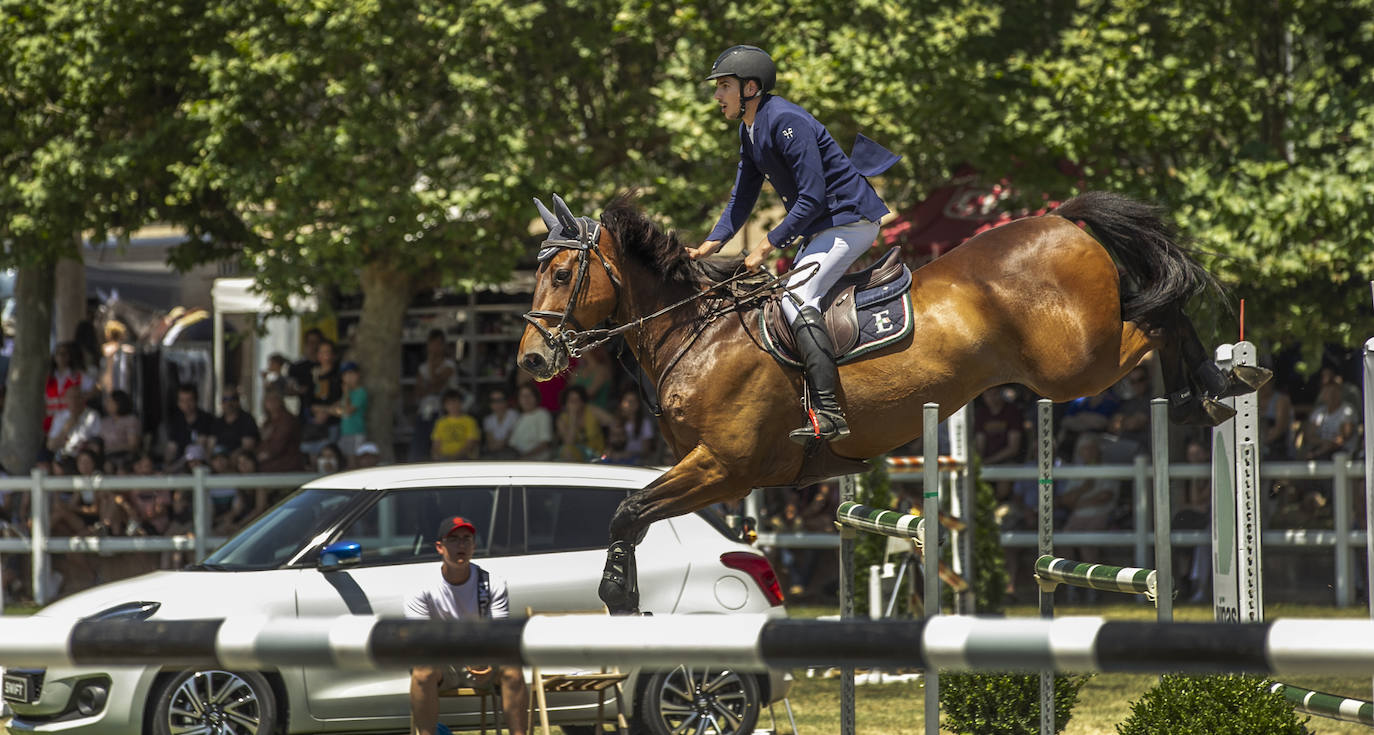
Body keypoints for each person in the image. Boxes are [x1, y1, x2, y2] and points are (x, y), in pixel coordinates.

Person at [688, 45, 899, 444]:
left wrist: (767, 245)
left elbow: (813, 197)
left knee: (797, 298)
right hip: (823, 227)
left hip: (848, 220)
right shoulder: (749, 127)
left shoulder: (785, 120)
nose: (717, 96)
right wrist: (709, 245)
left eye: (724, 87)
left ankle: (830, 411)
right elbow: (742, 195)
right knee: (778, 300)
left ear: (750, 88)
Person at [406, 516, 528, 735]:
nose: (461, 545)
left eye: (466, 539)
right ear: (439, 547)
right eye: (453, 539)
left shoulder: (491, 583)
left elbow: (499, 634)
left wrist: (489, 660)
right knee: (422, 670)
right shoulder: (420, 587)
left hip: (481, 659)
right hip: (442, 663)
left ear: (474, 546)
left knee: (513, 669)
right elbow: (421, 640)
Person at [411, 329, 459, 461]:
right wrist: (430, 387)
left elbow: (435, 383)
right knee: (419, 449)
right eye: (432, 344)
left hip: (445, 412)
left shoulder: (449, 365)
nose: (435, 348)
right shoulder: (422, 367)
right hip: (425, 412)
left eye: (438, 344)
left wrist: (432, 364)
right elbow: (418, 392)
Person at [555, 385, 605, 462]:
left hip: (597, 453)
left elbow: (614, 423)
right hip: (575, 454)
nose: (574, 404)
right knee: (566, 450)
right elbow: (569, 442)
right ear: (566, 403)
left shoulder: (592, 411)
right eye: (571, 401)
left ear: (583, 402)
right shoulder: (562, 419)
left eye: (577, 400)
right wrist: (573, 416)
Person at [509, 384, 554, 461]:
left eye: (530, 395)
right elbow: (512, 444)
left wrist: (525, 456)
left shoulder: (542, 414)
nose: (526, 399)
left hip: (538, 461)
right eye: (523, 396)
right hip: (519, 461)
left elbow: (545, 443)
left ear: (536, 397)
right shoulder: (519, 418)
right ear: (519, 399)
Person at [431, 389, 479, 461]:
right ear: (445, 406)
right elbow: (436, 444)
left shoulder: (470, 421)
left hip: (464, 459)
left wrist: (455, 457)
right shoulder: (440, 422)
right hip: (443, 459)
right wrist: (437, 457)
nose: (453, 406)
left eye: (455, 402)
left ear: (461, 403)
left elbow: (470, 444)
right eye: (449, 403)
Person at [334, 361, 368, 460]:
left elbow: (348, 410)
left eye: (351, 373)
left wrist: (346, 393)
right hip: (345, 432)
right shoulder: (347, 393)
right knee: (347, 461)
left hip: (357, 432)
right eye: (345, 374)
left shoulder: (360, 392)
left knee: (355, 462)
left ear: (358, 374)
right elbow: (335, 408)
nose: (348, 377)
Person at [212, 385, 260, 455]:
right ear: (221, 402)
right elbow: (211, 446)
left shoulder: (247, 420)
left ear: (238, 401)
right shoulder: (217, 422)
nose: (229, 403)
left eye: (233, 399)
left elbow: (248, 447)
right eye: (225, 399)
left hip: (241, 461)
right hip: (220, 460)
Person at [480, 389, 520, 459]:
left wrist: (498, 444)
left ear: (506, 401)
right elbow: (490, 444)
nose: (497, 403)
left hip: (511, 452)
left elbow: (510, 439)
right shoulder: (488, 420)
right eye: (493, 401)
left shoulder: (513, 414)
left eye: (500, 400)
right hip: (493, 453)